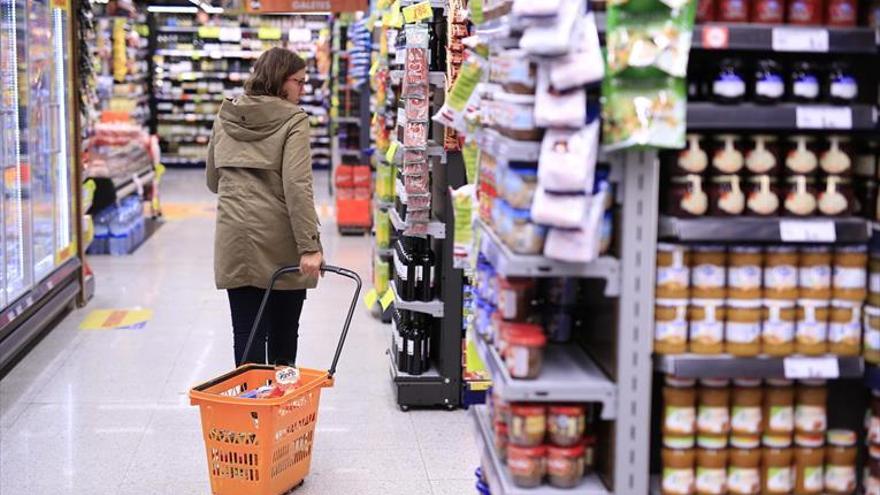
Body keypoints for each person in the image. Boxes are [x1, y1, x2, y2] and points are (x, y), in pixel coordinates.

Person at [206, 47, 323, 366]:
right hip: (279, 242)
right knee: (284, 335)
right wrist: (309, 246)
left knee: (246, 333)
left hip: (234, 240)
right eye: (298, 82)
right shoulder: (293, 119)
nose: (302, 89)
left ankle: (251, 412)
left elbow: (213, 180)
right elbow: (298, 187)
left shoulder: (225, 115)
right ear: (279, 81)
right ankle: (281, 412)